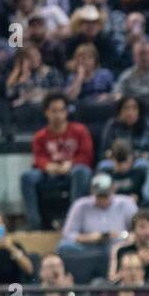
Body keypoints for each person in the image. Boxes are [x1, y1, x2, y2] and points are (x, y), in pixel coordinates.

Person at [24, 92, 95, 230]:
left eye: (61, 110)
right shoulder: (40, 136)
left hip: (73, 170)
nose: (58, 115)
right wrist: (48, 166)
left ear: (66, 112)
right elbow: (38, 158)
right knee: (27, 177)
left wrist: (71, 163)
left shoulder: (80, 130)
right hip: (50, 171)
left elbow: (87, 155)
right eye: (53, 111)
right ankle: (35, 224)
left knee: (82, 171)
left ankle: (75, 221)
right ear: (46, 112)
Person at [60, 172, 138, 256]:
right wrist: (89, 237)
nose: (102, 199)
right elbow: (68, 234)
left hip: (119, 245)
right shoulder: (80, 205)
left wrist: (125, 236)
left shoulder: (126, 203)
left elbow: (138, 228)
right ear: (92, 192)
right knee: (64, 246)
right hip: (89, 248)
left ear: (113, 189)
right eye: (99, 196)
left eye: (105, 195)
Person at [107, 208, 149, 281]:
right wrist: (137, 262)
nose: (148, 232)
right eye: (142, 227)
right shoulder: (120, 249)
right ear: (133, 229)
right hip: (127, 290)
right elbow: (112, 281)